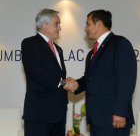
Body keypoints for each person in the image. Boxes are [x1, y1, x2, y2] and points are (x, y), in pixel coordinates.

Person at [65, 10, 137, 136]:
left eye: (88, 24)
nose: (85, 28)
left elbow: (126, 80)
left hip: (114, 119)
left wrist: (120, 112)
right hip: (96, 120)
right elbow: (89, 80)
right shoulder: (91, 53)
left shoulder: (120, 44)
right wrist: (75, 84)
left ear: (99, 24)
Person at [21, 8, 78, 136]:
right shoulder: (30, 43)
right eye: (56, 23)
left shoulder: (58, 49)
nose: (60, 27)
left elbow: (56, 75)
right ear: (44, 25)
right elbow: (36, 72)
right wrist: (63, 82)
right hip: (39, 115)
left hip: (58, 115)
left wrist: (66, 80)